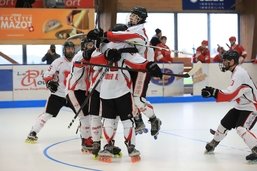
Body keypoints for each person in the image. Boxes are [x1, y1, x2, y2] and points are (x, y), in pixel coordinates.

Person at [87, 6, 162, 139]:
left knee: (137, 99)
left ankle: (153, 119)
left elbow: (124, 36)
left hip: (141, 69)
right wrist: (101, 40)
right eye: (131, 15)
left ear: (141, 19)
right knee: (127, 97)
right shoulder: (129, 29)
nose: (132, 18)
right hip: (130, 68)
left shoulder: (140, 31)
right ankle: (137, 118)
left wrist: (105, 34)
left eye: (135, 16)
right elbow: (117, 40)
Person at [89, 37, 163, 162]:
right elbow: (94, 62)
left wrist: (150, 65)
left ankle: (123, 146)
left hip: (117, 92)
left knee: (120, 121)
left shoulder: (122, 50)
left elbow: (137, 61)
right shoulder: (107, 48)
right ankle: (118, 146)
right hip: (110, 92)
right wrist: (106, 55)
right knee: (115, 121)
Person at [201, 50, 257, 162]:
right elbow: (232, 93)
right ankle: (214, 143)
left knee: (241, 128)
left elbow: (230, 94)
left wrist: (213, 92)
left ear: (232, 61)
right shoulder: (236, 71)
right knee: (224, 124)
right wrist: (214, 92)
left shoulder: (239, 74)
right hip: (241, 106)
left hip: (252, 107)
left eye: (225, 61)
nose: (223, 63)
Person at [25, 41, 76, 143]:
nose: (70, 50)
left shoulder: (77, 61)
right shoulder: (58, 62)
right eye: (68, 49)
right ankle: (33, 132)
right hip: (58, 94)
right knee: (47, 114)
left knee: (84, 115)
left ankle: (91, 135)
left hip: (73, 94)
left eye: (72, 49)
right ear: (64, 50)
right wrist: (49, 82)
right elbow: (47, 74)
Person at [65, 38, 95, 153]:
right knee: (84, 117)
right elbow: (87, 55)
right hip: (73, 90)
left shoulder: (92, 56)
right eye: (89, 45)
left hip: (83, 91)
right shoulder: (79, 56)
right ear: (83, 46)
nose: (91, 47)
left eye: (92, 45)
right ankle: (86, 140)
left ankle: (86, 135)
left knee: (88, 116)